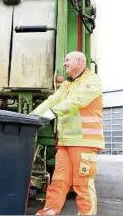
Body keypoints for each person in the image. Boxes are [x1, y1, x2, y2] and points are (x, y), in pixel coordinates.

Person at [30, 51, 104, 215]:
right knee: (58, 181)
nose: (64, 64)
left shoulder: (92, 81)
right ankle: (49, 212)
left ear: (80, 62)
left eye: (67, 60)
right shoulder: (67, 85)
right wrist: (32, 117)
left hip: (84, 142)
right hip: (65, 143)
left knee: (82, 183)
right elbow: (51, 101)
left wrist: (51, 113)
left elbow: (77, 101)